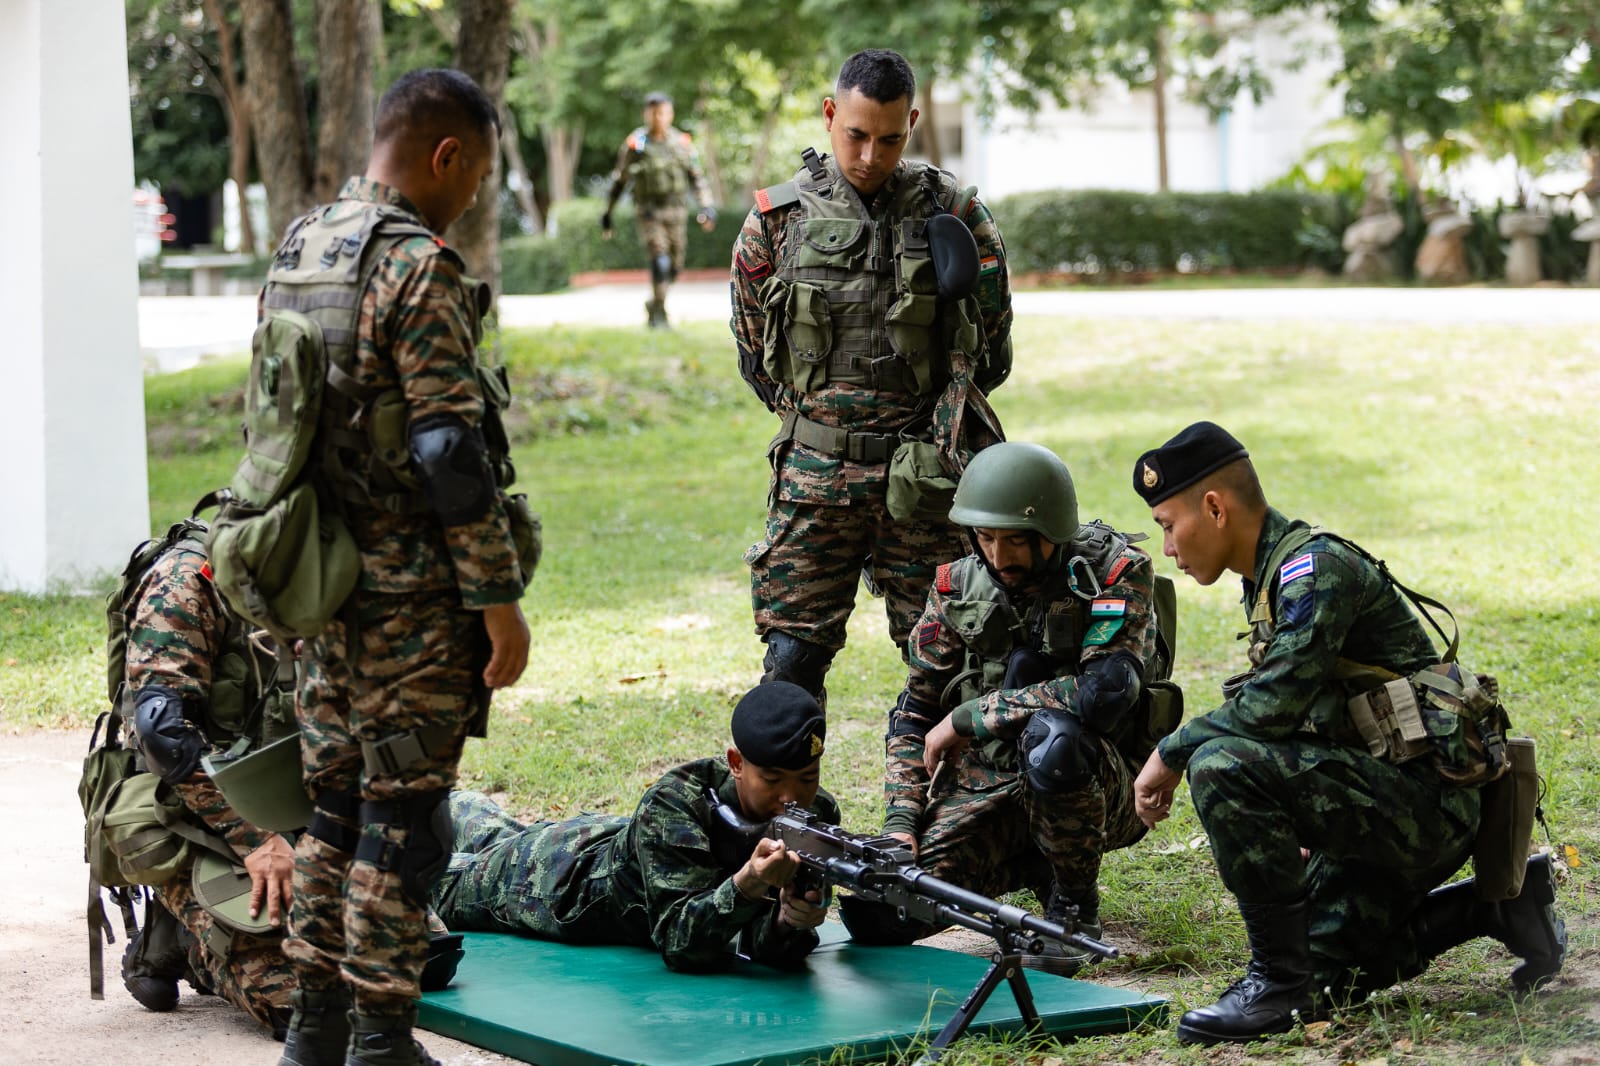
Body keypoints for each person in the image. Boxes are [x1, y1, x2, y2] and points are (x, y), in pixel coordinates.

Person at [1129, 421, 1566, 1045]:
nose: (1168, 546)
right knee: (1328, 980)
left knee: (1220, 763)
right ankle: (1494, 908)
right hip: (1379, 795)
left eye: (1169, 525)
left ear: (1215, 507)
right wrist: (1300, 818)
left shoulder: (1314, 570)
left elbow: (1268, 711)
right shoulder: (1271, 576)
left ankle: (1274, 986)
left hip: (1425, 803)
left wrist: (1169, 752)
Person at [266, 68, 534, 1066]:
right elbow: (446, 454)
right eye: (478, 175)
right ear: (445, 155)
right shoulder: (417, 265)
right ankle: (381, 1037)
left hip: (315, 588)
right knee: (405, 816)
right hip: (405, 598)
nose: (473, 197)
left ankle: (313, 1028)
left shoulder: (303, 247)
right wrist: (497, 600)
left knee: (332, 804)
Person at [730, 49, 1014, 709]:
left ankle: (945, 811)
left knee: (954, 663)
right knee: (791, 662)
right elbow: (754, 352)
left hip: (924, 480)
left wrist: (924, 426)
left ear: (910, 123)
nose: (869, 155)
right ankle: (792, 804)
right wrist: (825, 425)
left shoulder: (956, 214)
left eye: (889, 138)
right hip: (815, 482)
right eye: (855, 134)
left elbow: (992, 348)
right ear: (831, 115)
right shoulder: (777, 220)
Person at [859, 442, 1172, 974]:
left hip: (1096, 784)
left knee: (1057, 738)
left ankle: (1073, 907)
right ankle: (1026, 860)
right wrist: (899, 824)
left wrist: (970, 717)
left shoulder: (1112, 573)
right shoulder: (955, 587)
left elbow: (1104, 695)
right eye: (986, 539)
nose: (1000, 558)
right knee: (879, 917)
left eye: (1017, 542)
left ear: (1050, 533)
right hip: (985, 789)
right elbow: (914, 714)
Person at [432, 681, 836, 972]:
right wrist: (747, 884)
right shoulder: (677, 801)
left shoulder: (815, 818)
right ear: (735, 763)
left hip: (609, 842)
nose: (792, 796)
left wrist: (789, 920)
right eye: (773, 779)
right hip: (556, 883)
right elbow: (681, 943)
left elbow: (753, 940)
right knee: (432, 877)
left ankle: (453, 803)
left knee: (488, 831)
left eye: (807, 777)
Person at [120, 510, 298, 1035]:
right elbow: (163, 737)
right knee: (303, 1007)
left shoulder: (319, 573)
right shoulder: (186, 585)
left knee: (417, 958)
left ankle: (191, 931)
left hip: (281, 797)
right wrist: (258, 840)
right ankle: (186, 940)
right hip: (185, 808)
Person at [601, 90, 717, 328]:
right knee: (660, 261)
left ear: (670, 114)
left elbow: (697, 178)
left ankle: (655, 301)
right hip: (649, 212)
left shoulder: (682, 143)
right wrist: (607, 213)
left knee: (675, 266)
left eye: (662, 112)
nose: (658, 118)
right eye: (653, 113)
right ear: (646, 114)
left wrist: (706, 206)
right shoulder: (636, 144)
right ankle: (660, 314)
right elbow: (620, 180)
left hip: (676, 212)